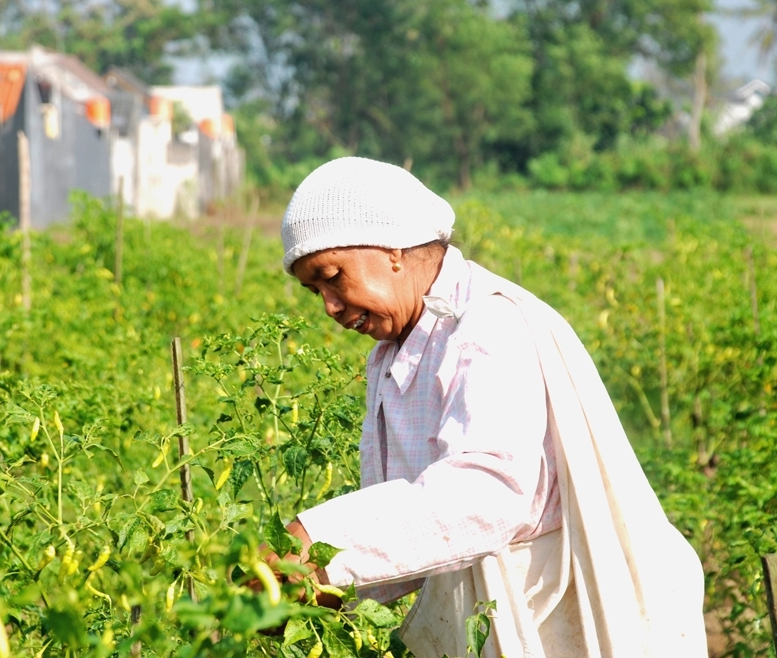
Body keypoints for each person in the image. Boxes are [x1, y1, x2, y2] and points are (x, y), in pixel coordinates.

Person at [270, 156, 707, 658]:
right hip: (500, 619)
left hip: (569, 615)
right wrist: (318, 588)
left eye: (333, 277)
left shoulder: (485, 326)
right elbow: (416, 522)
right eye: (314, 291)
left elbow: (489, 494)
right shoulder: (390, 357)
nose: (329, 306)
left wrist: (316, 539)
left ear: (390, 248)